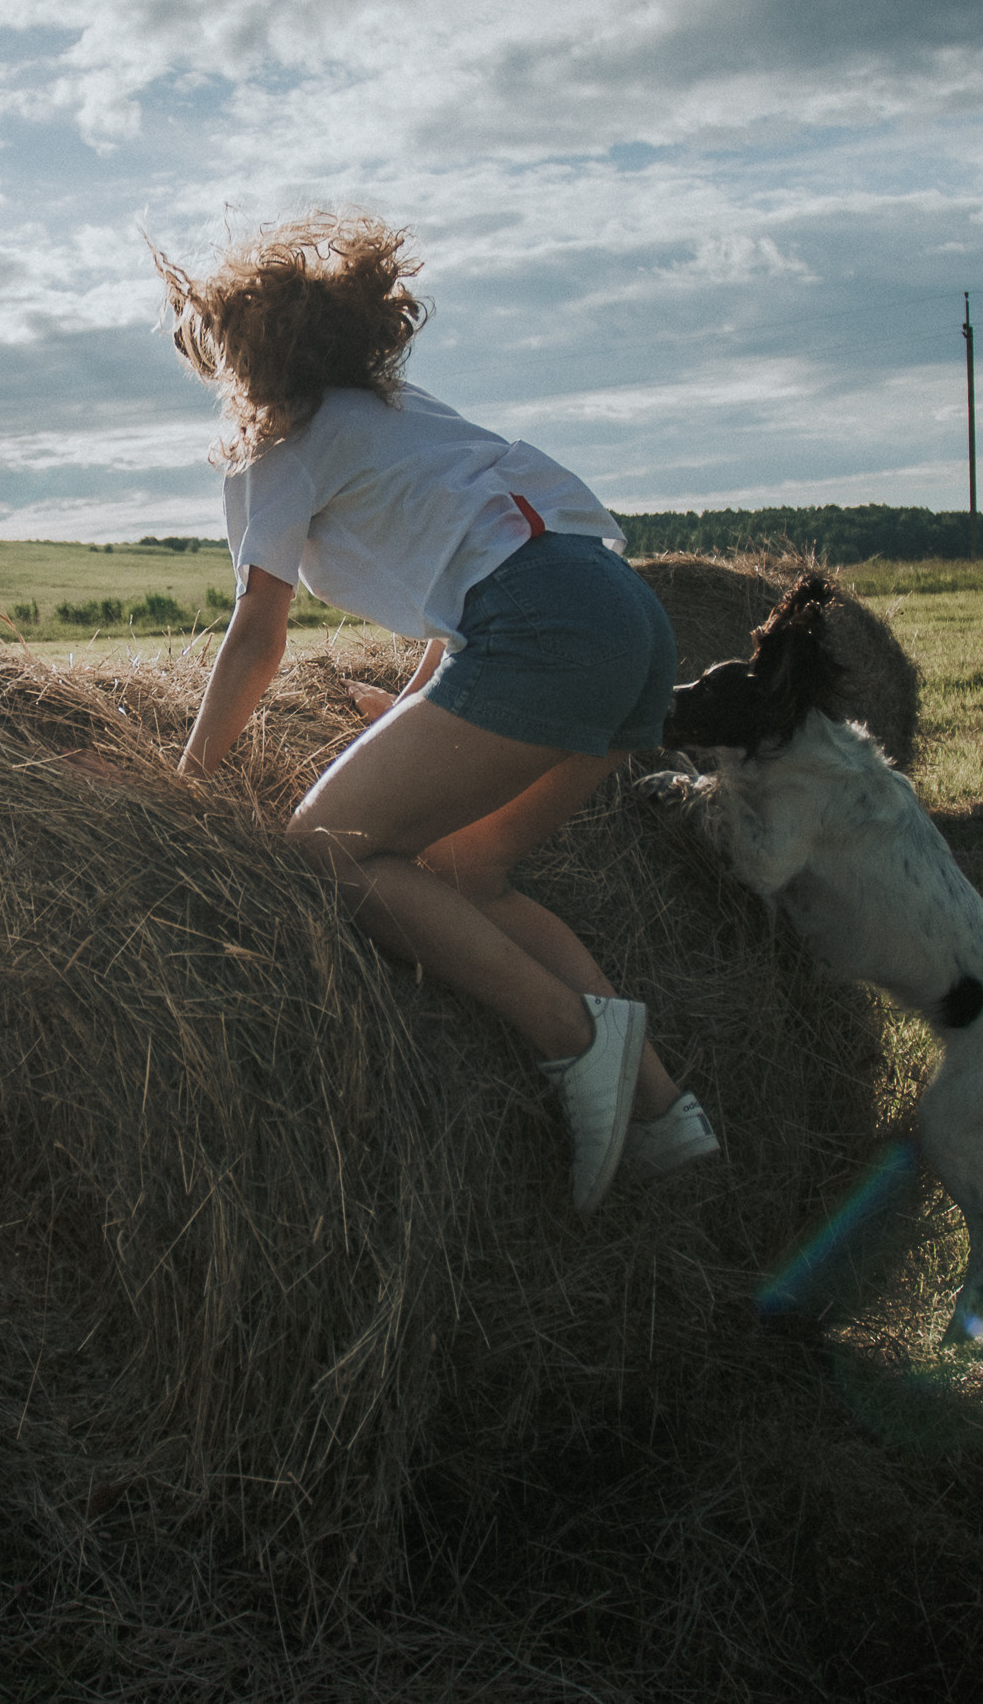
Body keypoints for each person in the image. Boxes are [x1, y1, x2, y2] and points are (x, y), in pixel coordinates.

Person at [159, 211, 715, 1213]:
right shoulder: (399, 410)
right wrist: (416, 709)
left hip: (541, 629)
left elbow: (256, 632)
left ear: (237, 362)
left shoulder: (270, 449)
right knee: (469, 873)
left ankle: (570, 1037)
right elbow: (472, 559)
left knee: (321, 848)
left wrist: (186, 785)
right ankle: (663, 1109)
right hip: (625, 617)